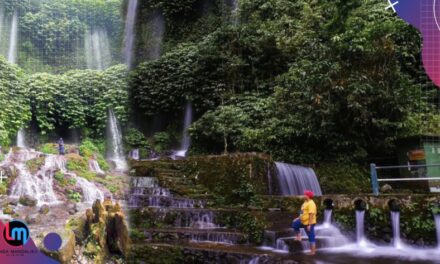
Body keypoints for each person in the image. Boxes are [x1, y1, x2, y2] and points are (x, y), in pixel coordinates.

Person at [292, 190, 317, 255]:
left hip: (309, 222)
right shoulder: (305, 202)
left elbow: (311, 215)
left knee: (311, 236)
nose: (304, 195)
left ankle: (313, 251)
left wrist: (309, 225)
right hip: (302, 220)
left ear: (308, 196)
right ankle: (298, 237)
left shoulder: (311, 203)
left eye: (305, 194)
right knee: (295, 224)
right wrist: (298, 218)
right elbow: (301, 211)